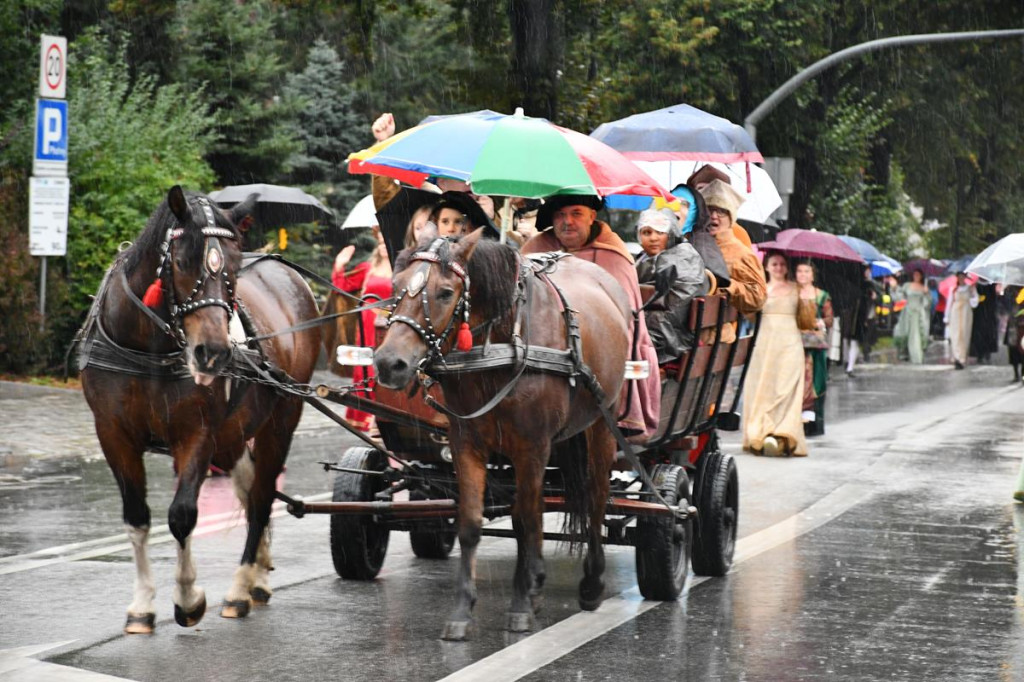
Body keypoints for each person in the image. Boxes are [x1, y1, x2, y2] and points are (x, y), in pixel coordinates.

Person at [522, 195, 660, 438]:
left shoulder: (613, 255)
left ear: (592, 217)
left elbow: (623, 320)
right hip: (539, 348)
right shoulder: (535, 250)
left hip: (597, 350)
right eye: (560, 215)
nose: (568, 222)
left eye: (576, 214)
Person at [743, 253, 817, 457]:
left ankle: (784, 433)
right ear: (766, 267)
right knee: (763, 388)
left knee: (786, 387)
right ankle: (761, 432)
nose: (778, 267)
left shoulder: (797, 289)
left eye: (782, 264)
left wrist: (807, 301)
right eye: (774, 264)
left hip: (790, 344)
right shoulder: (760, 290)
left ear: (787, 268)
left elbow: (807, 322)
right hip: (764, 344)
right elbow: (748, 316)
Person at [333, 227, 393, 433]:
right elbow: (343, 285)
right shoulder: (368, 268)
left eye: (388, 243)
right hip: (365, 324)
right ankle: (363, 416)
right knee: (363, 369)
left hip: (388, 326)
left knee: (383, 367)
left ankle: (383, 414)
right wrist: (340, 264)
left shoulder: (401, 269)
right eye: (382, 242)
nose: (385, 246)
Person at [633, 208, 712, 363]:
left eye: (660, 232)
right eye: (647, 232)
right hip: (655, 328)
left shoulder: (683, 258)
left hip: (670, 338)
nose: (653, 238)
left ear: (671, 234)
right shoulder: (644, 258)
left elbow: (675, 308)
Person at [698, 180, 767, 342]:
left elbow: (758, 297)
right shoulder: (690, 245)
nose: (714, 216)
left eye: (721, 211)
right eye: (710, 210)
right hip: (685, 335)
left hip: (714, 340)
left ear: (731, 218)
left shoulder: (741, 253)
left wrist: (729, 285)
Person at [795, 261, 832, 436]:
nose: (802, 275)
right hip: (794, 344)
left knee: (815, 382)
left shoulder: (822, 295)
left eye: (806, 271)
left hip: (814, 347)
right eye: (799, 271)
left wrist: (820, 322)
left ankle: (813, 423)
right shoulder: (791, 293)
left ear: (812, 274)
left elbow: (829, 318)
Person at [846, 264, 881, 377]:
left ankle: (850, 365)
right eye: (867, 271)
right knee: (853, 341)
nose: (868, 273)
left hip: (860, 318)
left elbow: (878, 300)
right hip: (856, 317)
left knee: (854, 341)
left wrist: (874, 297)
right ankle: (849, 365)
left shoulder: (868, 285)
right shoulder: (862, 285)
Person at [891, 269, 931, 365]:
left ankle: (917, 356)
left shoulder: (924, 287)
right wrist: (894, 288)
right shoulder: (907, 286)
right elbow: (899, 297)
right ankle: (905, 353)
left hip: (918, 313)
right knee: (905, 331)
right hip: (908, 312)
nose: (916, 276)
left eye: (918, 275)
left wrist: (926, 294)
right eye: (914, 274)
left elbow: (927, 303)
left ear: (921, 276)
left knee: (916, 334)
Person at [945, 271, 978, 369]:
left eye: (962, 277)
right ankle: (956, 357)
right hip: (955, 312)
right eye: (959, 277)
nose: (961, 278)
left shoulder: (970, 288)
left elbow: (975, 300)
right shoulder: (954, 289)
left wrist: (971, 298)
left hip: (966, 312)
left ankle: (963, 357)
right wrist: (947, 316)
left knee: (964, 334)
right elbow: (949, 302)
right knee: (955, 334)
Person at [970, 280, 999, 364]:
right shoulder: (977, 285)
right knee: (979, 334)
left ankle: (987, 351)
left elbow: (994, 300)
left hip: (989, 313)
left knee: (988, 333)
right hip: (979, 313)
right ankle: (980, 353)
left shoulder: (991, 285)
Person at [1003, 286, 1024, 382]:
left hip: (1021, 324)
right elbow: (1006, 305)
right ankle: (1016, 373)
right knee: (1013, 349)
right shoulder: (1009, 291)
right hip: (1013, 324)